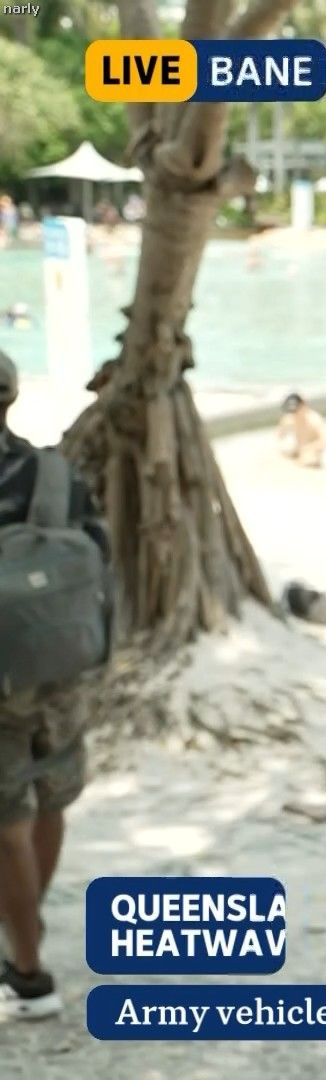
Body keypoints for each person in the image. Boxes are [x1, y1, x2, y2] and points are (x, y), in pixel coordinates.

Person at [0, 349, 110, 1022]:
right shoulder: (53, 472)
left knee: (5, 825)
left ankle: (30, 974)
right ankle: (26, 927)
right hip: (61, 665)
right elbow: (101, 560)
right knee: (48, 800)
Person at [275, 392, 326, 468]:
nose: (295, 414)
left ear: (303, 406)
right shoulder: (290, 418)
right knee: (279, 455)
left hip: (314, 452)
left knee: (308, 457)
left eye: (296, 410)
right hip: (299, 450)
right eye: (292, 411)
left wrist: (308, 448)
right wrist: (282, 427)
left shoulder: (313, 419)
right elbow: (278, 436)